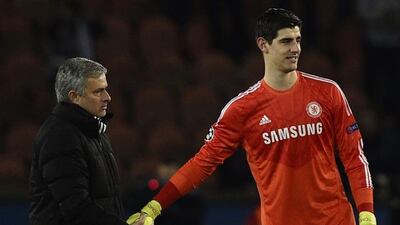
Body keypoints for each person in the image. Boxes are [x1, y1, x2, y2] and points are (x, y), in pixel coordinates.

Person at [127, 8, 377, 225]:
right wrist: (155, 207)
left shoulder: (328, 93)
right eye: (286, 41)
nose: (295, 49)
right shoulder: (243, 109)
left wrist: (366, 213)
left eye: (298, 40)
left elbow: (354, 157)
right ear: (263, 44)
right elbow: (202, 163)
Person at [29, 57, 128, 225]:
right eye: (98, 91)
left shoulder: (95, 130)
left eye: (106, 89)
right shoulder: (60, 137)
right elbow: (77, 208)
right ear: (74, 96)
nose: (108, 97)